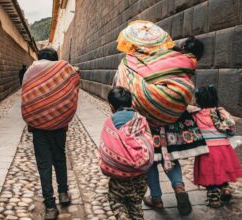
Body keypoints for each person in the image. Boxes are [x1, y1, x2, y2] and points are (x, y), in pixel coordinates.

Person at [113, 20, 208, 216]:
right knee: (170, 157)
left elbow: (121, 89)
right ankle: (179, 187)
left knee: (151, 161)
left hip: (145, 121)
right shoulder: (170, 56)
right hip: (171, 119)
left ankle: (156, 198)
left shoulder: (129, 62)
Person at [21, 48, 80, 220]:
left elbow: (27, 95)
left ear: (39, 59)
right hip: (59, 126)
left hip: (38, 127)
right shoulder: (63, 69)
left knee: (44, 165)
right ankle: (63, 193)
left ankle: (50, 206)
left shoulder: (30, 72)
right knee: (60, 158)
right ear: (55, 60)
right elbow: (74, 83)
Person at [98, 87, 154, 220]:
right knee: (136, 205)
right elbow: (148, 143)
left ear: (111, 106)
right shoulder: (141, 120)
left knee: (116, 201)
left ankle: (122, 216)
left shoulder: (109, 123)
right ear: (131, 103)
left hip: (119, 179)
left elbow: (104, 148)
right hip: (140, 179)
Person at [189, 85, 242, 208]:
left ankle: (213, 199)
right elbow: (232, 130)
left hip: (206, 150)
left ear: (198, 100)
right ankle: (225, 189)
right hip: (224, 149)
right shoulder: (221, 112)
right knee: (222, 171)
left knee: (210, 175)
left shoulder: (195, 115)